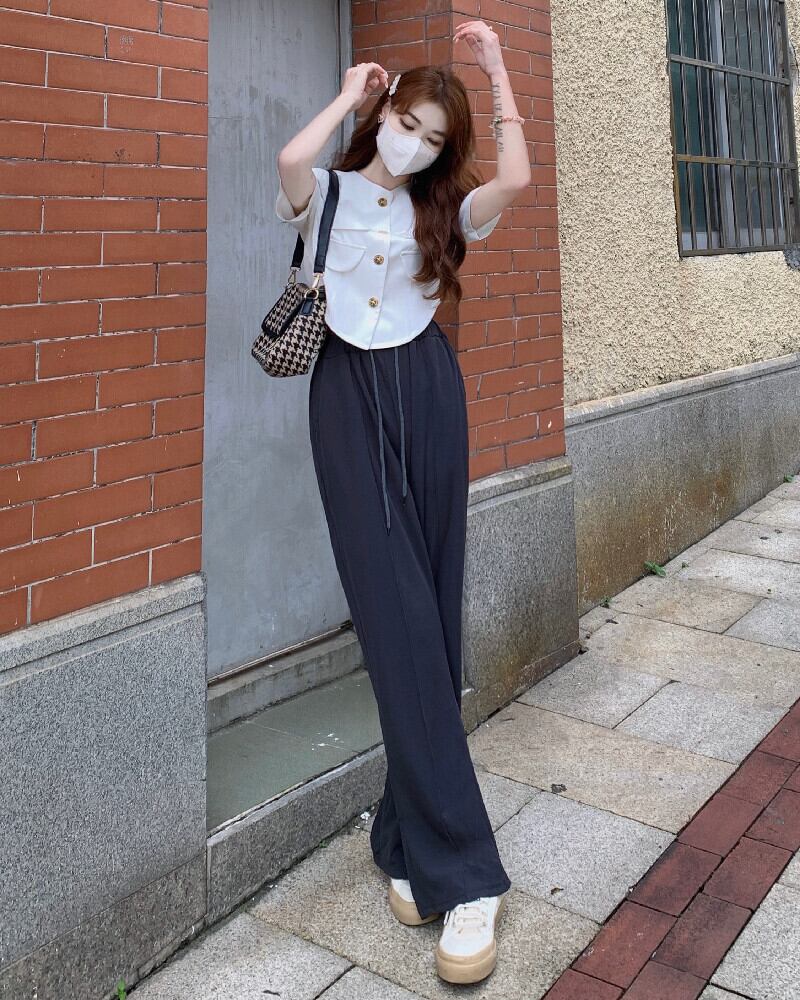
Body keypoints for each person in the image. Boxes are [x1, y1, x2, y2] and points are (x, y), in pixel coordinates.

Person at [274, 20, 531, 985]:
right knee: (396, 617)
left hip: (428, 388)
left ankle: (404, 836)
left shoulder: (443, 209)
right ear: (385, 114)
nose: (415, 144)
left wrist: (497, 70)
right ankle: (468, 873)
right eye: (407, 123)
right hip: (347, 395)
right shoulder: (329, 194)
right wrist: (352, 93)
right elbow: (290, 159)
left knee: (434, 608)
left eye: (433, 137)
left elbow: (518, 180)